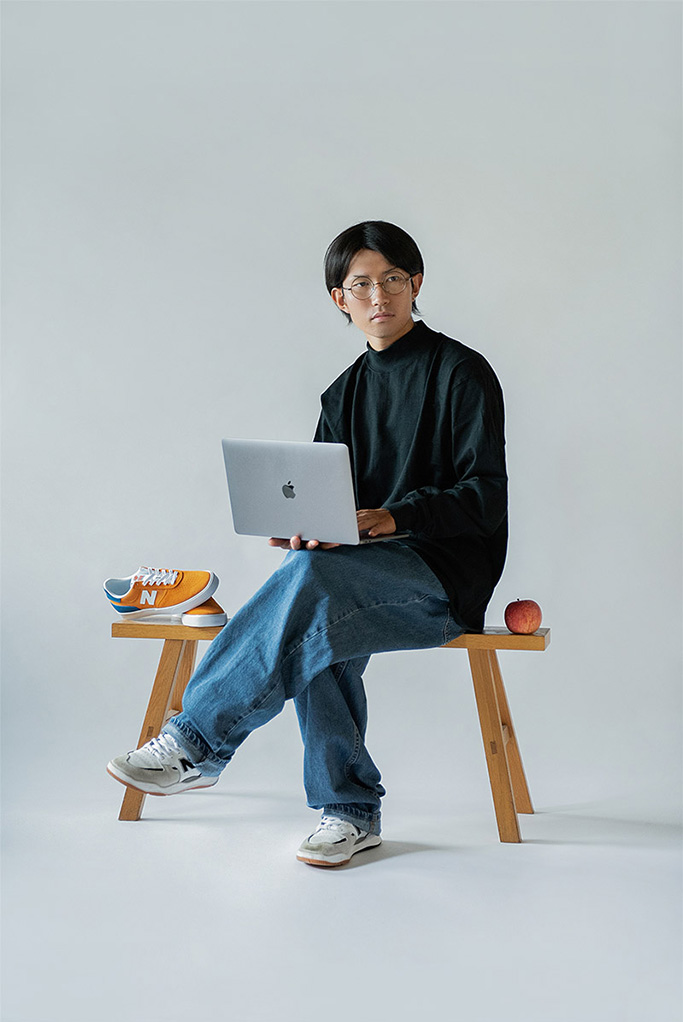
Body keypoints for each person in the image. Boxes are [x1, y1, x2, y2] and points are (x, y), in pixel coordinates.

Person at [107, 221, 508, 867]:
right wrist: (308, 526)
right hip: (353, 574)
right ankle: (349, 813)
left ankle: (196, 744)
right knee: (310, 583)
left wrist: (392, 517)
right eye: (361, 284)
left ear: (415, 284)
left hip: (442, 577)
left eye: (392, 279)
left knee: (313, 591)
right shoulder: (342, 393)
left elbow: (485, 496)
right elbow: (329, 501)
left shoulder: (461, 373)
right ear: (339, 299)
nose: (379, 295)